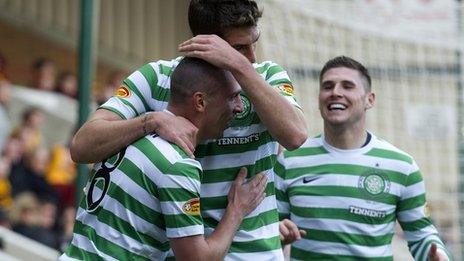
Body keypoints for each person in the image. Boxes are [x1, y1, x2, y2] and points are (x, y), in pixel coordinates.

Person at [70, 0, 307, 259]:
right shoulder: (157, 77)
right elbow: (82, 147)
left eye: (253, 43)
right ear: (206, 43)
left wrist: (238, 66)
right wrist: (150, 121)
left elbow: (295, 135)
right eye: (239, 48)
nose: (252, 57)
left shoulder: (267, 77)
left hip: (255, 253)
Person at [61, 57, 267, 260]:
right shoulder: (177, 165)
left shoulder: (128, 137)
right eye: (232, 97)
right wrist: (237, 211)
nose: (240, 107)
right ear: (200, 102)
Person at [274, 56, 452, 260]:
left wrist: (437, 255)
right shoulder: (290, 161)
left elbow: (421, 235)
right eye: (327, 86)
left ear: (370, 99)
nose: (335, 92)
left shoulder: (402, 166)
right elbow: (270, 229)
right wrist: (277, 233)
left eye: (347, 86)